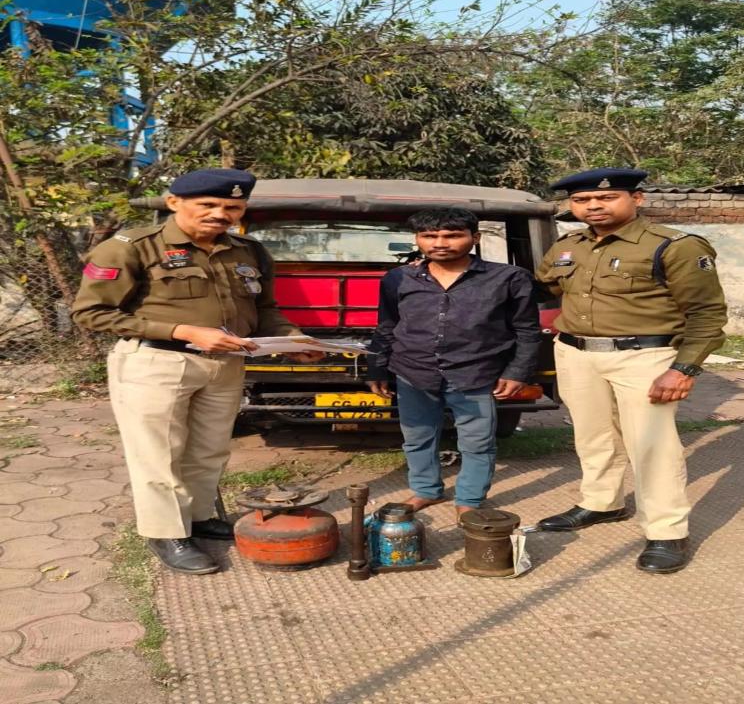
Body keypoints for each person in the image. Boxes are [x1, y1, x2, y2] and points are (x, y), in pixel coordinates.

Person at [71, 168, 322, 575]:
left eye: (232, 207)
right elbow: (90, 313)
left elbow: (264, 310)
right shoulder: (131, 247)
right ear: (174, 202)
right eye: (208, 204)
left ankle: (200, 517)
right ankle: (166, 533)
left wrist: (293, 339)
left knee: (210, 449)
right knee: (158, 455)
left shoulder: (249, 251)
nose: (220, 214)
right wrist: (182, 330)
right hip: (157, 362)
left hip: (225, 364)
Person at [534, 167, 727, 573]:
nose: (593, 206)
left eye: (606, 198)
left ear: (636, 199)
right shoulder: (568, 246)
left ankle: (666, 530)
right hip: (575, 352)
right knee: (593, 436)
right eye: (582, 200)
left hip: (643, 356)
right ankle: (601, 503)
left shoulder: (674, 246)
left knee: (652, 444)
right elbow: (547, 288)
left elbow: (707, 314)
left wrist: (684, 369)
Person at [366, 208, 541, 521]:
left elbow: (527, 330)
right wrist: (376, 367)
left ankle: (469, 499)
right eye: (429, 236)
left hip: (476, 372)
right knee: (417, 437)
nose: (440, 243)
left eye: (452, 235)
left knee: (477, 442)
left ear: (476, 238)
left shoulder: (509, 278)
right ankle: (425, 490)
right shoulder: (398, 278)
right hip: (413, 371)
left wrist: (517, 372)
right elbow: (386, 326)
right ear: (417, 239)